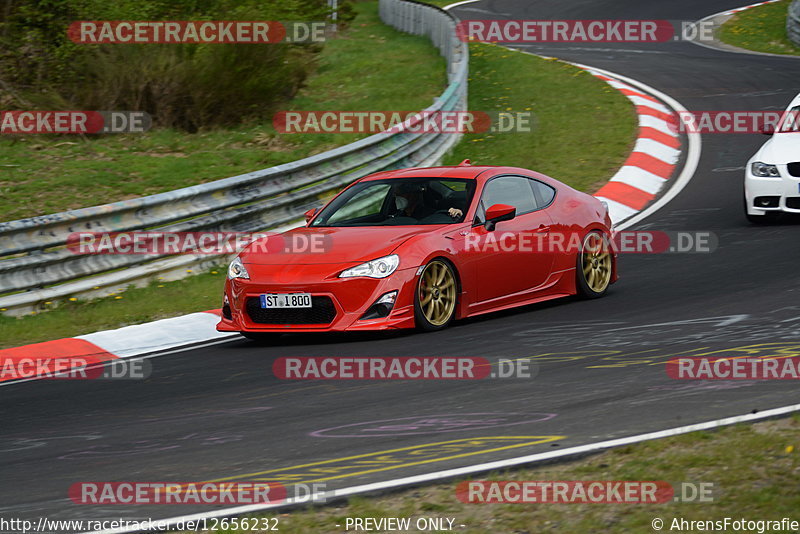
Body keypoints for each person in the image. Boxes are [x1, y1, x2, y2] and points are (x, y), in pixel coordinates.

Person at [393, 182, 463, 220]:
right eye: (396, 195)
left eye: (400, 194)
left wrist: (456, 213)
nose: (397, 198)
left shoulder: (434, 215)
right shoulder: (396, 218)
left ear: (413, 195)